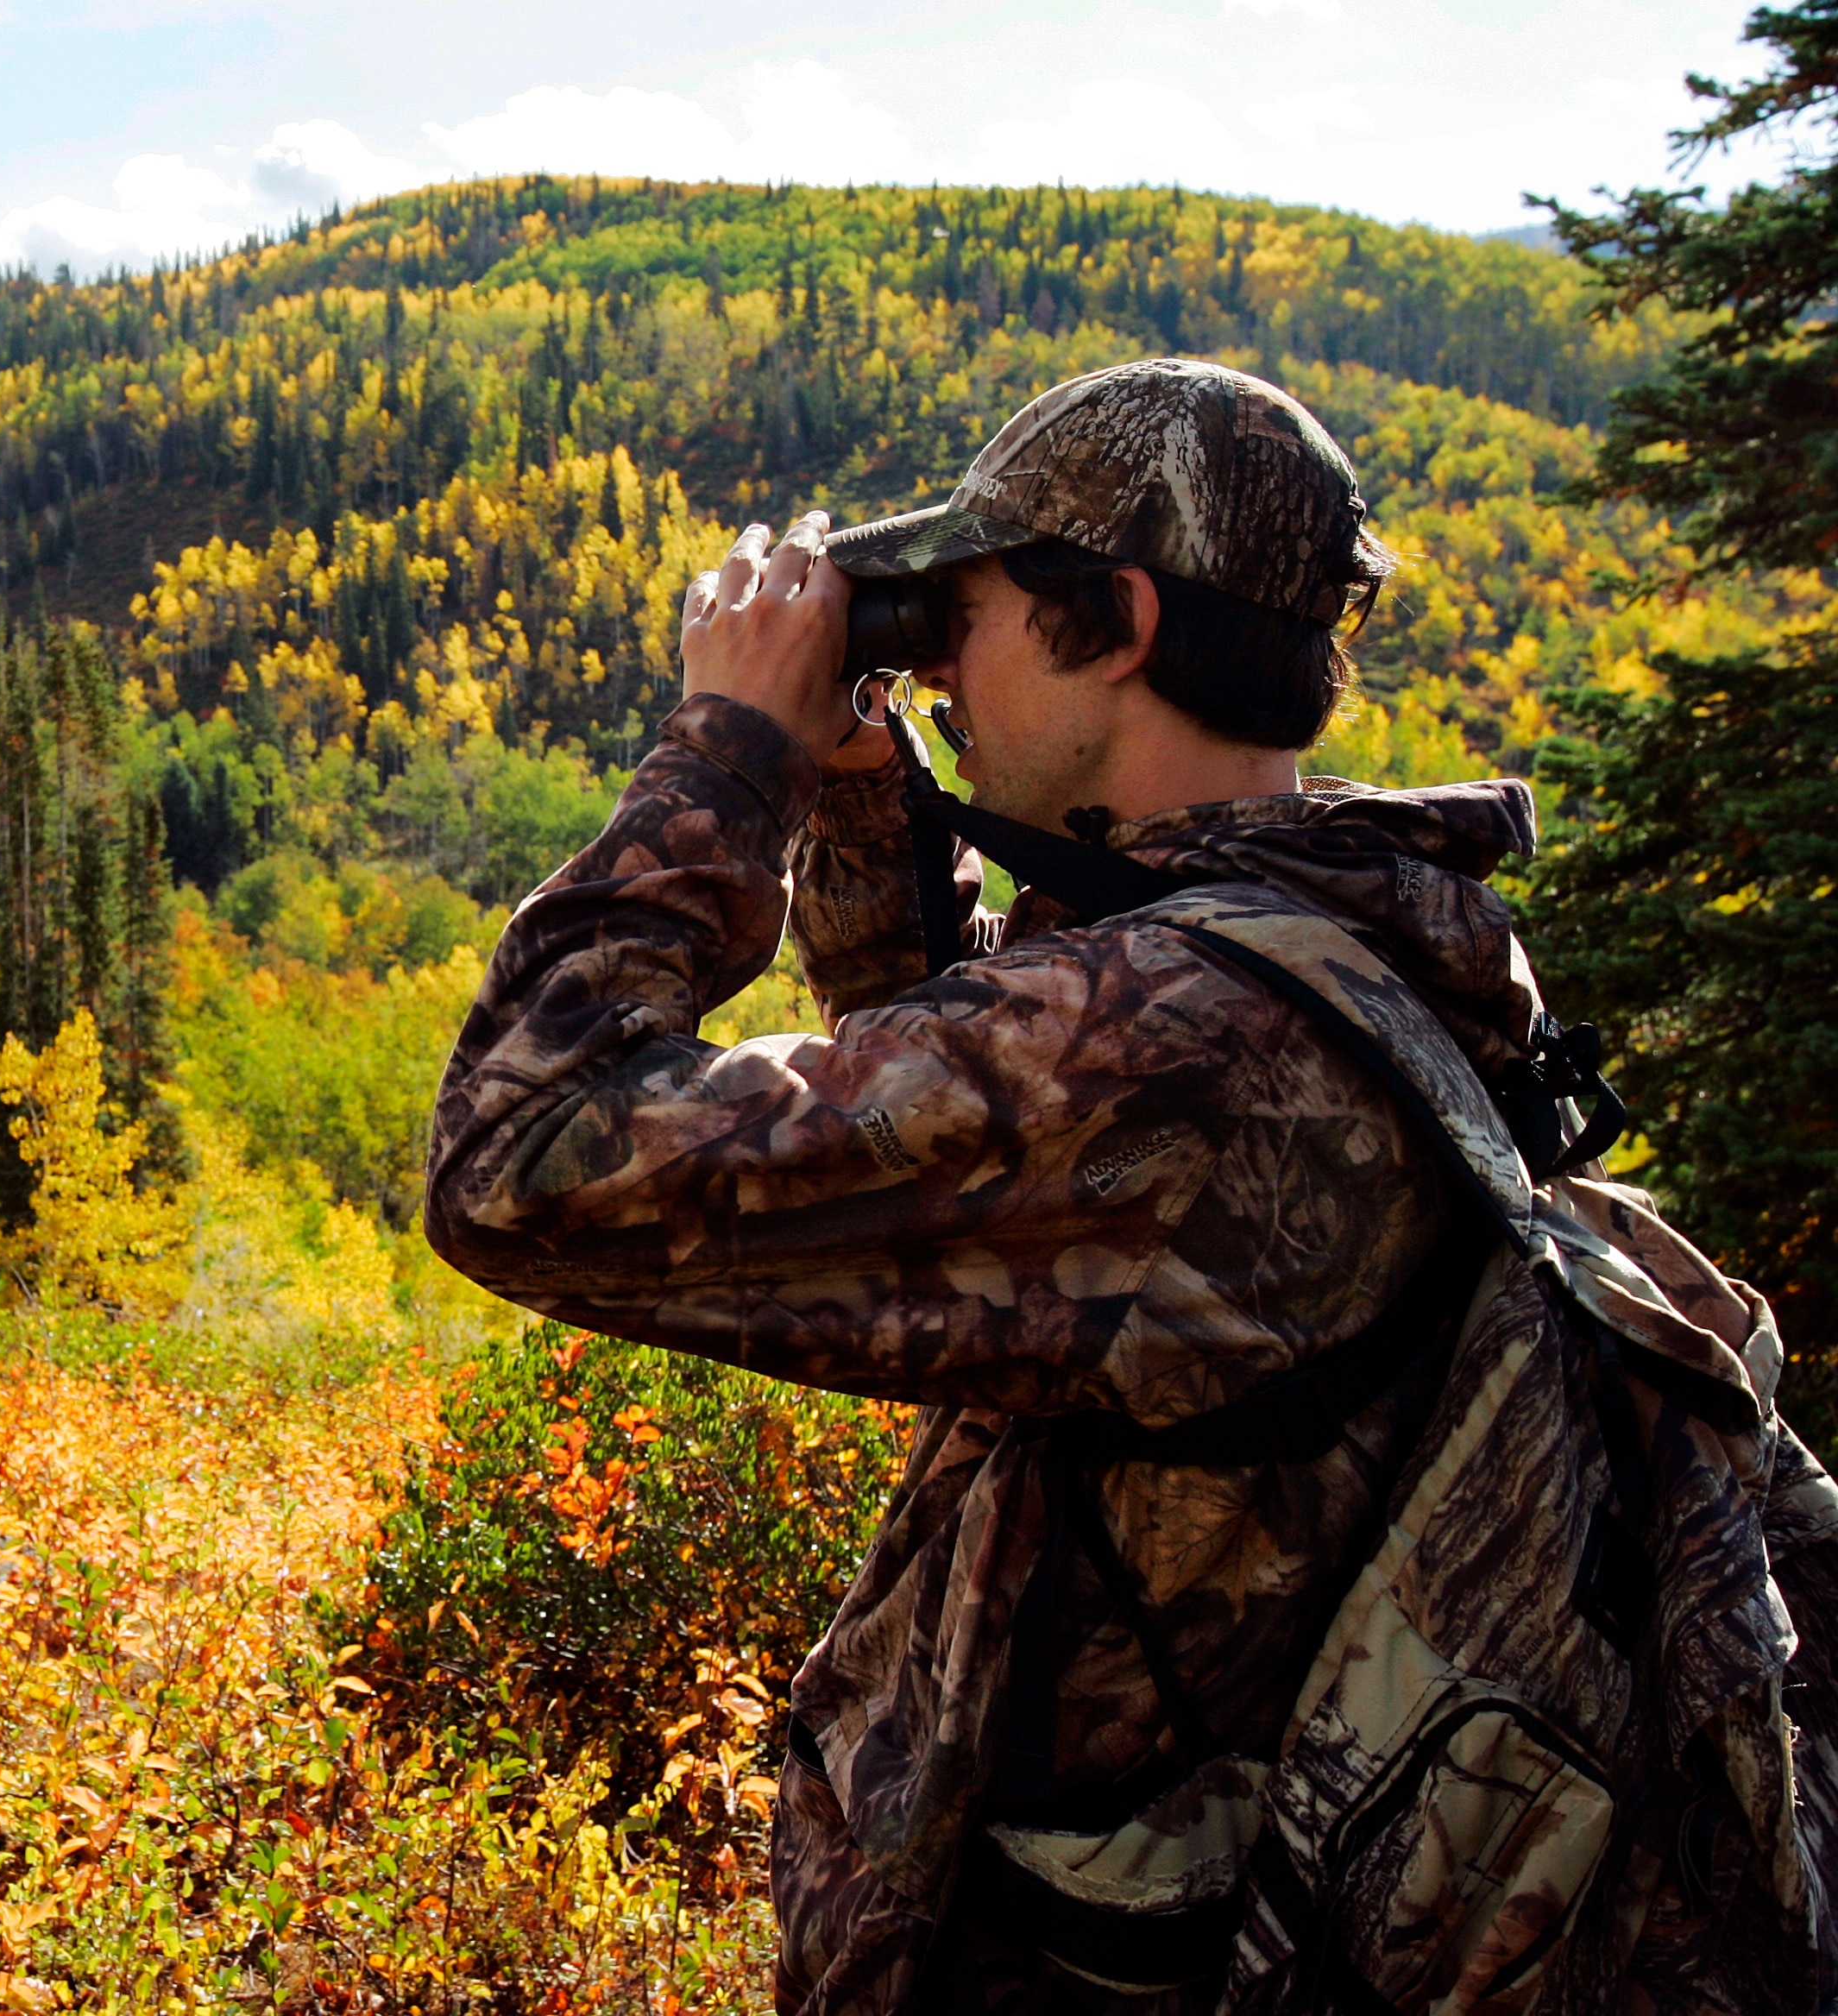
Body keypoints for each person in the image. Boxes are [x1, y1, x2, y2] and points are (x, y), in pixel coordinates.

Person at [421, 358, 1832, 2012]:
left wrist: (729, 755)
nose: (943, 668)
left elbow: (521, 1157)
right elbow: (970, 1162)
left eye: (975, 614)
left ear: (1124, 620)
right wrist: (874, 796)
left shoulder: (1171, 1044)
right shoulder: (1358, 940)